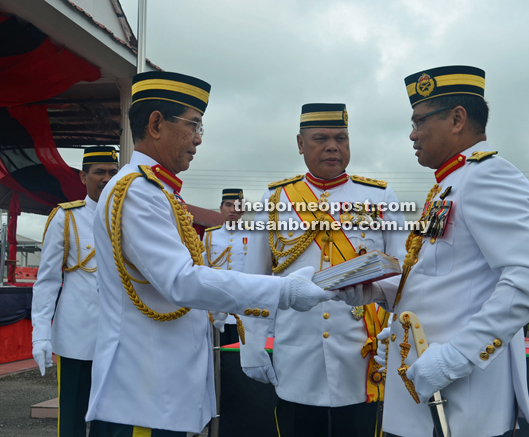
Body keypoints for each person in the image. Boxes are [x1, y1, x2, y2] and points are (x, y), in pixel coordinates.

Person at [85, 71, 335, 436]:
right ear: (156, 123)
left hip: (157, 386)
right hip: (142, 391)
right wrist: (283, 291)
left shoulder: (155, 190)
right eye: (194, 125)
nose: (198, 140)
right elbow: (181, 281)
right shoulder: (138, 191)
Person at [337, 65, 529, 437]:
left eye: (419, 121)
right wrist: (378, 291)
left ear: (457, 119)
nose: (412, 134)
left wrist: (457, 356)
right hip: (425, 391)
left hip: (461, 400)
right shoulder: (450, 183)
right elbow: (440, 278)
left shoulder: (489, 176)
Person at [240, 103, 407, 436]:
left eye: (341, 138)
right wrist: (252, 344)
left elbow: (403, 275)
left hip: (363, 358)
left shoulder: (380, 196)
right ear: (300, 144)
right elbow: (254, 280)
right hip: (298, 355)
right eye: (320, 138)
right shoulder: (275, 199)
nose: (333, 146)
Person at [31, 146, 118, 437]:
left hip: (117, 336)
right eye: (99, 172)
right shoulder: (66, 218)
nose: (106, 178)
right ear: (83, 176)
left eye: (113, 172)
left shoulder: (126, 217)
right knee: (72, 418)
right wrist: (41, 333)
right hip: (76, 336)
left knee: (112, 417)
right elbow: (47, 281)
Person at [204, 188, 250, 344]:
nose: (232, 210)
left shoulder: (253, 236)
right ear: (221, 208)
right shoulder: (210, 236)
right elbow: (202, 269)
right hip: (216, 309)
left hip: (244, 308)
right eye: (228, 205)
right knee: (217, 355)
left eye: (237, 206)